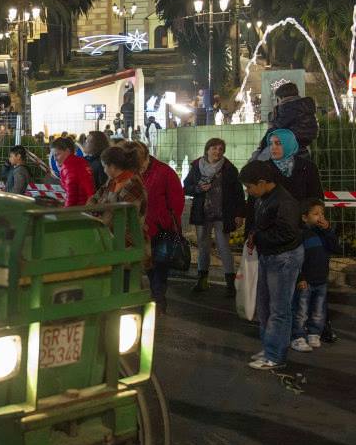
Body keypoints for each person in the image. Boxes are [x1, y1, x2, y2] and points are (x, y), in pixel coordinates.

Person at [240, 160, 303, 370]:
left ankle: (275, 355)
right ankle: (269, 348)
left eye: (249, 187)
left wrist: (259, 238)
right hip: (270, 256)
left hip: (283, 258)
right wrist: (255, 235)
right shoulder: (265, 198)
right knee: (265, 306)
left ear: (262, 182)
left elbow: (287, 233)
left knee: (279, 309)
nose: (248, 191)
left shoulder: (284, 202)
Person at [183, 138, 246, 296]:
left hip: (222, 213)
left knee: (223, 246)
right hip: (202, 213)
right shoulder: (197, 166)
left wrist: (239, 214)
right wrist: (198, 188)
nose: (217, 152)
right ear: (207, 149)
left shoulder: (229, 168)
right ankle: (202, 279)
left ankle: (230, 283)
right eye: (214, 148)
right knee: (203, 246)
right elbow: (186, 187)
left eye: (220, 149)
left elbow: (238, 193)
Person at [128, 140, 184, 313]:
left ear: (144, 157)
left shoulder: (164, 172)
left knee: (159, 267)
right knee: (146, 266)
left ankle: (159, 300)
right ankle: (150, 298)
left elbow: (177, 202)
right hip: (138, 230)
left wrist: (164, 221)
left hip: (159, 230)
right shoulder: (131, 172)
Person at [291, 198, 339, 353]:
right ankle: (298, 336)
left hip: (321, 280)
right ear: (305, 217)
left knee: (319, 310)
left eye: (322, 213)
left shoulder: (324, 233)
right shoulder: (302, 235)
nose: (321, 217)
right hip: (306, 280)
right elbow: (297, 259)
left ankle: (314, 333)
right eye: (316, 214)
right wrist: (300, 277)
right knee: (301, 310)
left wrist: (328, 230)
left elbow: (335, 247)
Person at [87, 145, 147, 260]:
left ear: (113, 167)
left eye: (104, 167)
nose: (104, 170)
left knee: (125, 277)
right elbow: (96, 197)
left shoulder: (133, 185)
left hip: (127, 245)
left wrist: (99, 212)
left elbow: (125, 217)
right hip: (110, 241)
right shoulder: (112, 181)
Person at [255, 81, 318, 158]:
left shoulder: (289, 108)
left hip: (288, 148)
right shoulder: (304, 106)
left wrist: (261, 146)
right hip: (303, 145)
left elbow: (275, 129)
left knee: (260, 158)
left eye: (277, 99)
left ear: (281, 98)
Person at [51, 136, 95, 207]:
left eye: (57, 154)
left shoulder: (68, 167)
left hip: (79, 208)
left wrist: (66, 210)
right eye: (54, 156)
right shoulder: (81, 161)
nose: (55, 159)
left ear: (67, 151)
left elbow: (72, 194)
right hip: (88, 204)